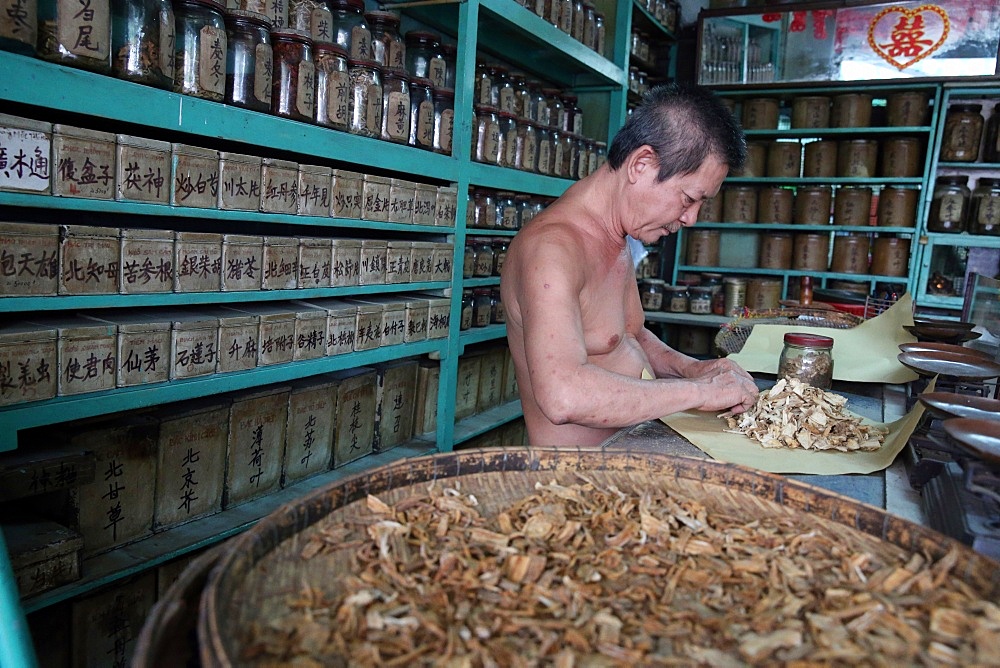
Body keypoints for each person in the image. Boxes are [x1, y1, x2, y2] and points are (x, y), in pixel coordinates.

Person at [500, 83, 759, 447]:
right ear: (641, 164)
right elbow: (563, 395)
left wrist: (694, 369)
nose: (691, 219)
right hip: (575, 483)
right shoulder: (552, 250)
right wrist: (698, 392)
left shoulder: (615, 235)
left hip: (630, 457)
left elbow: (627, 335)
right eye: (688, 198)